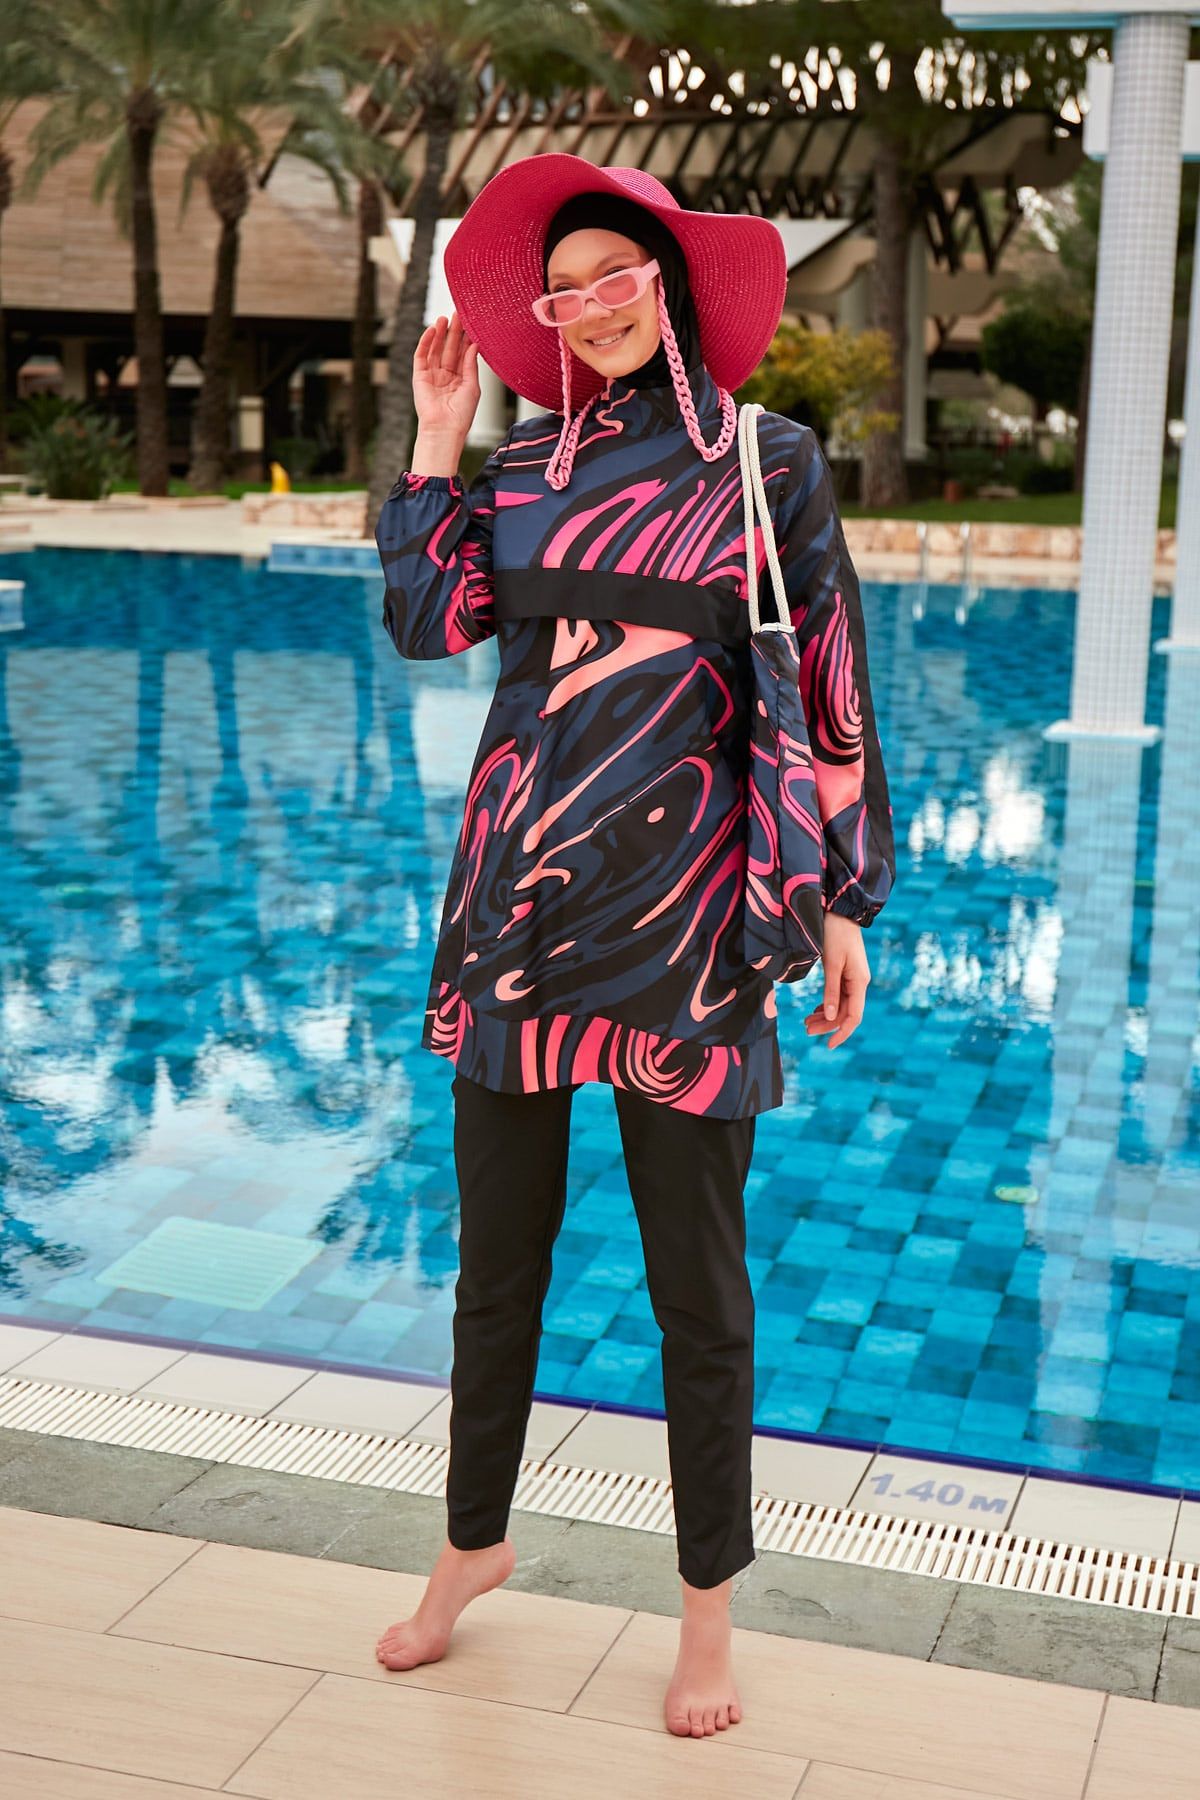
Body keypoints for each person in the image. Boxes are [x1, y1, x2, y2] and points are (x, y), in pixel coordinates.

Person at [372, 155, 895, 1738]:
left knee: (699, 1297)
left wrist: (845, 899)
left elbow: (831, 680)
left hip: (693, 922)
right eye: (563, 291)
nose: (590, 307)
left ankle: (706, 1618)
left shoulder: (764, 459)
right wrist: (440, 439)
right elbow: (428, 625)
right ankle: (470, 1548)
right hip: (518, 913)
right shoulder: (523, 467)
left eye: (615, 276)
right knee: (495, 1272)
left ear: (667, 285)